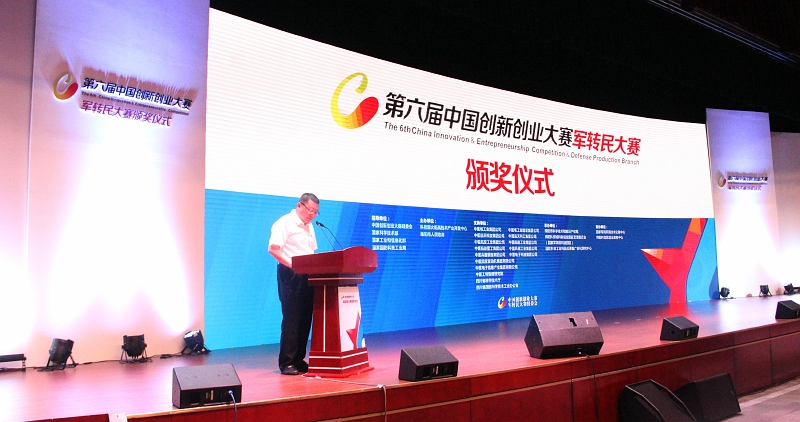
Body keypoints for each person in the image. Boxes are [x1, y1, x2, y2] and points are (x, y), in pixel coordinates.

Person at [268, 193, 319, 375]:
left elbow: (310, 251)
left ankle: (298, 359)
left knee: (305, 318)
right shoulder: (284, 223)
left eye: (315, 212)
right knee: (292, 318)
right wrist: (293, 266)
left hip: (308, 275)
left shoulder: (309, 226)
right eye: (310, 210)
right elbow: (273, 249)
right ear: (299, 205)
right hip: (290, 273)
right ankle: (287, 362)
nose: (312, 215)